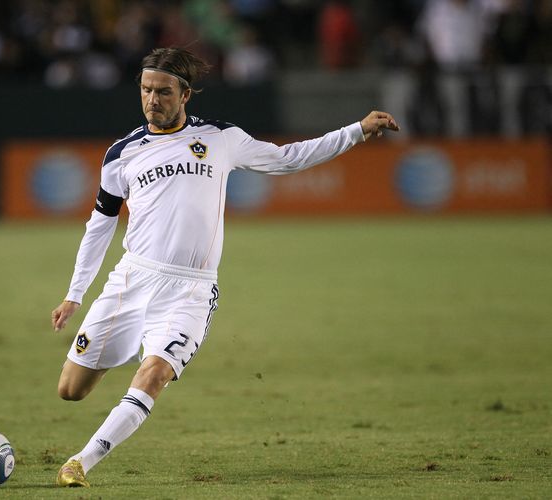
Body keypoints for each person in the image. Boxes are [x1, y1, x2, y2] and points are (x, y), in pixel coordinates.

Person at [51, 47, 399, 488]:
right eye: (145, 90)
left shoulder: (220, 137)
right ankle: (127, 345)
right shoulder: (121, 154)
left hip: (190, 291)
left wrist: (356, 131)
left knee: (155, 373)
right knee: (71, 389)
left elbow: (288, 158)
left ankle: (81, 461)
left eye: (162, 91)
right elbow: (99, 227)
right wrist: (74, 294)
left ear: (185, 94)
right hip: (131, 281)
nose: (152, 100)